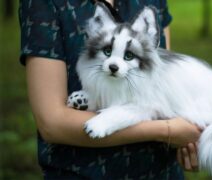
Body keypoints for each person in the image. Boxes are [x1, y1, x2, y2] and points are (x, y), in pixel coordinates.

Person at [19, 0, 201, 179]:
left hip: (163, 172)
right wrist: (167, 131)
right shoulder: (44, 3)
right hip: (83, 172)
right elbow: (52, 124)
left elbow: (163, 82)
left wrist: (189, 138)